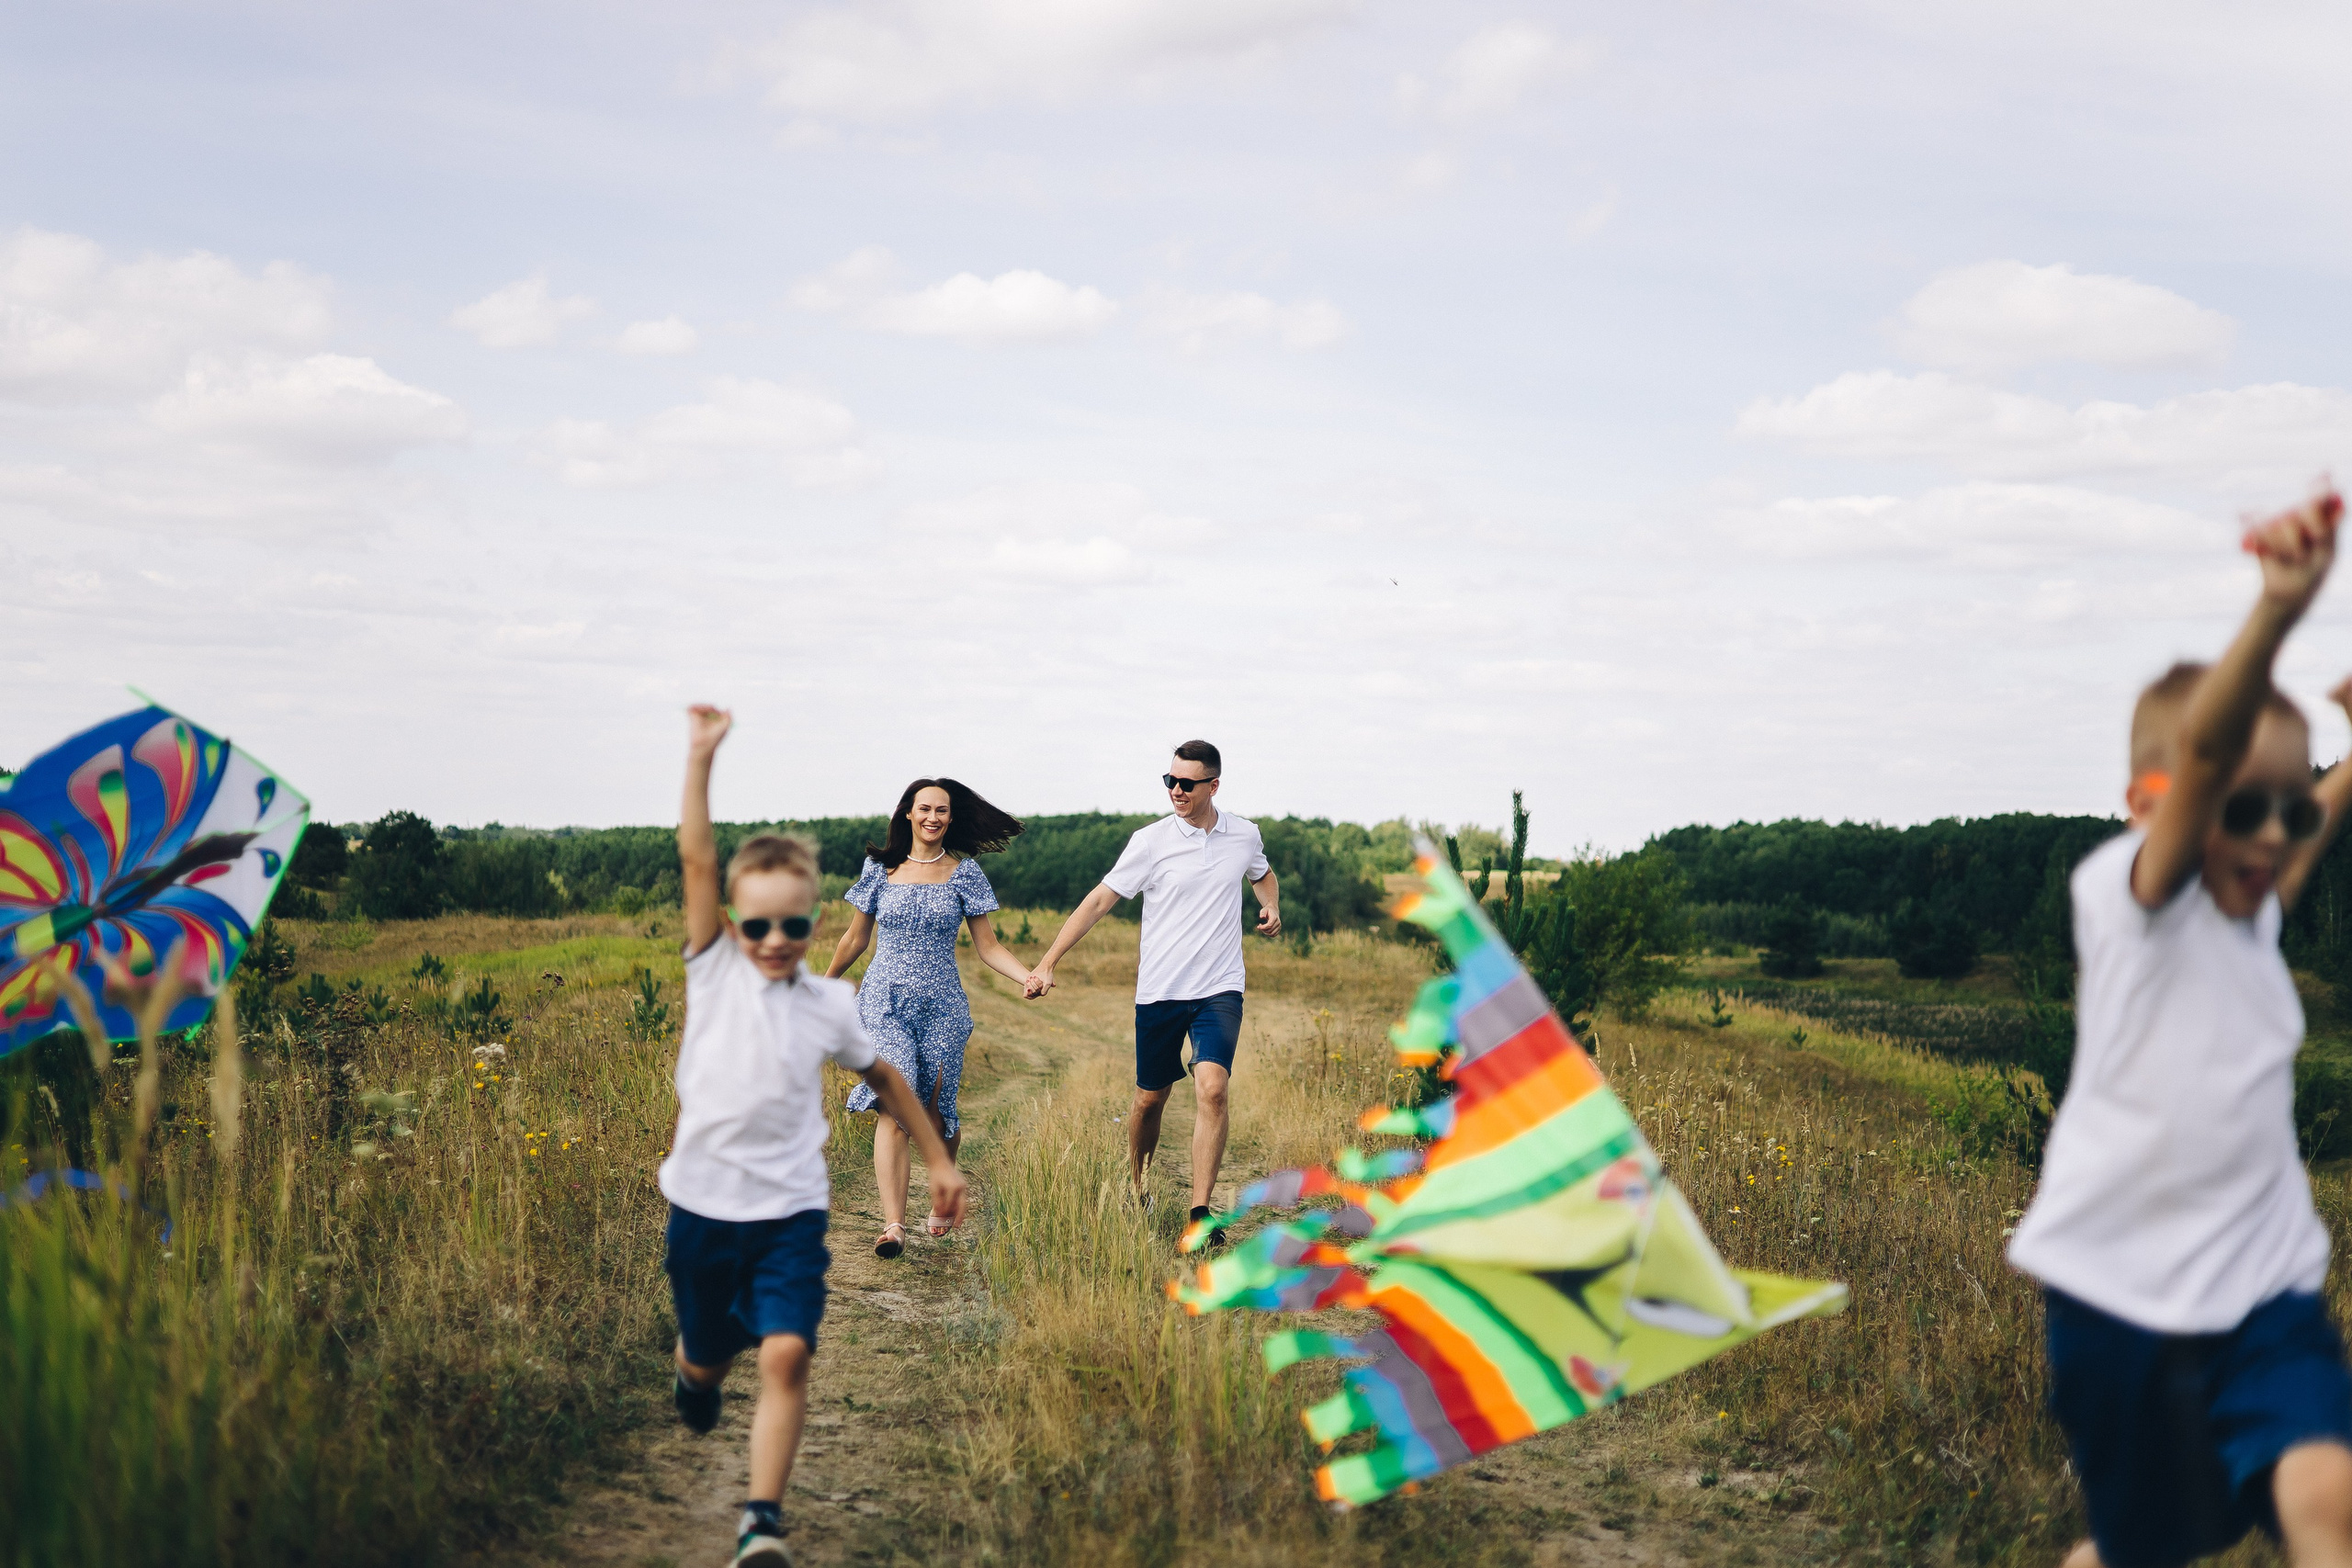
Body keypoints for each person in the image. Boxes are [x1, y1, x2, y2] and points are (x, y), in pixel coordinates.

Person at [2005, 490, 2352, 1568]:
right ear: (2148, 806)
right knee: (2142, 1552)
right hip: (2119, 1308)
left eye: (2287, 807)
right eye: (2235, 810)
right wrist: (2277, 617)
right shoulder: (2133, 901)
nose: (2269, 837)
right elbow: (2208, 757)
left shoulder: (2250, 915)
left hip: (2261, 1289)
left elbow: (2299, 831)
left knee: (2328, 1489)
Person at [662, 706, 967, 1567]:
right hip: (701, 1208)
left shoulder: (831, 1004)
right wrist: (699, 760)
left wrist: (940, 1159)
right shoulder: (714, 970)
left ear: (809, 927)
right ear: (733, 924)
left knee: (789, 1354)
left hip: (790, 1212)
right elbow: (696, 857)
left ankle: (761, 1520)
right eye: (755, 924)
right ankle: (694, 1367)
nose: (772, 941)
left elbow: (886, 1080)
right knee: (713, 1352)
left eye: (792, 926)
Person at [1025, 739, 1278, 1235]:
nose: (1176, 790)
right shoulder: (1150, 842)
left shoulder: (1244, 835)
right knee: (1150, 1099)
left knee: (1214, 1089)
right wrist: (1049, 961)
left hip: (1220, 988)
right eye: (1170, 781)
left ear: (1214, 785)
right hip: (1161, 990)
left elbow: (1263, 874)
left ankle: (1200, 1213)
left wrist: (1271, 906)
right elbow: (1100, 901)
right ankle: (1136, 1186)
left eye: (1187, 783)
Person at [828, 777, 1032, 1258]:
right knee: (895, 1106)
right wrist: (826, 981)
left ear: (950, 818)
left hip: (942, 1005)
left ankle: (943, 1183)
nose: (933, 818)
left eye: (942, 811)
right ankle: (893, 1225)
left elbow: (989, 946)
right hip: (884, 1001)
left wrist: (1025, 976)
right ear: (907, 813)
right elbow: (856, 938)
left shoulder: (965, 873)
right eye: (924, 809)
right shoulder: (879, 869)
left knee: (938, 1115)